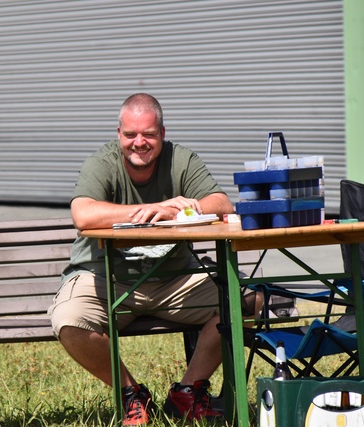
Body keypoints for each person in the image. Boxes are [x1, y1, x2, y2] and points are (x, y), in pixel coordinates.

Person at [48, 93, 263, 425]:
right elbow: (83, 215)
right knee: (69, 320)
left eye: (148, 134)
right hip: (107, 280)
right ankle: (132, 395)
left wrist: (178, 208)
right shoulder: (101, 163)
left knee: (248, 300)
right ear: (118, 133)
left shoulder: (181, 160)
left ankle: (187, 392)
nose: (139, 143)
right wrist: (144, 213)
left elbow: (221, 203)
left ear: (161, 134)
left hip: (175, 280)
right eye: (131, 134)